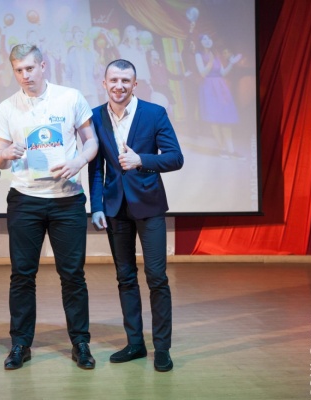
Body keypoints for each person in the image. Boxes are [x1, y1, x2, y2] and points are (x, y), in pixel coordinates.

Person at [0, 44, 98, 370]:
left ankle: (80, 343)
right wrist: (5, 155)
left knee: (73, 275)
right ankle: (20, 344)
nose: (25, 75)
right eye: (18, 70)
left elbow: (91, 140)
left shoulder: (70, 97)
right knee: (22, 275)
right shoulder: (6, 108)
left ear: (43, 66)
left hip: (67, 199)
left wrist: (78, 161)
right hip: (25, 199)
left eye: (29, 68)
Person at [88, 59, 184, 372]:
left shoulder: (154, 113)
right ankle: (134, 343)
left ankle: (162, 348)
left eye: (125, 81)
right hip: (115, 209)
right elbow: (96, 167)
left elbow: (175, 158)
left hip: (149, 205)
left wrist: (141, 159)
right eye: (114, 80)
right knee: (125, 277)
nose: (119, 86)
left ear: (135, 84)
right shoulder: (95, 116)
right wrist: (97, 205)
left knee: (157, 277)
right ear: (104, 83)